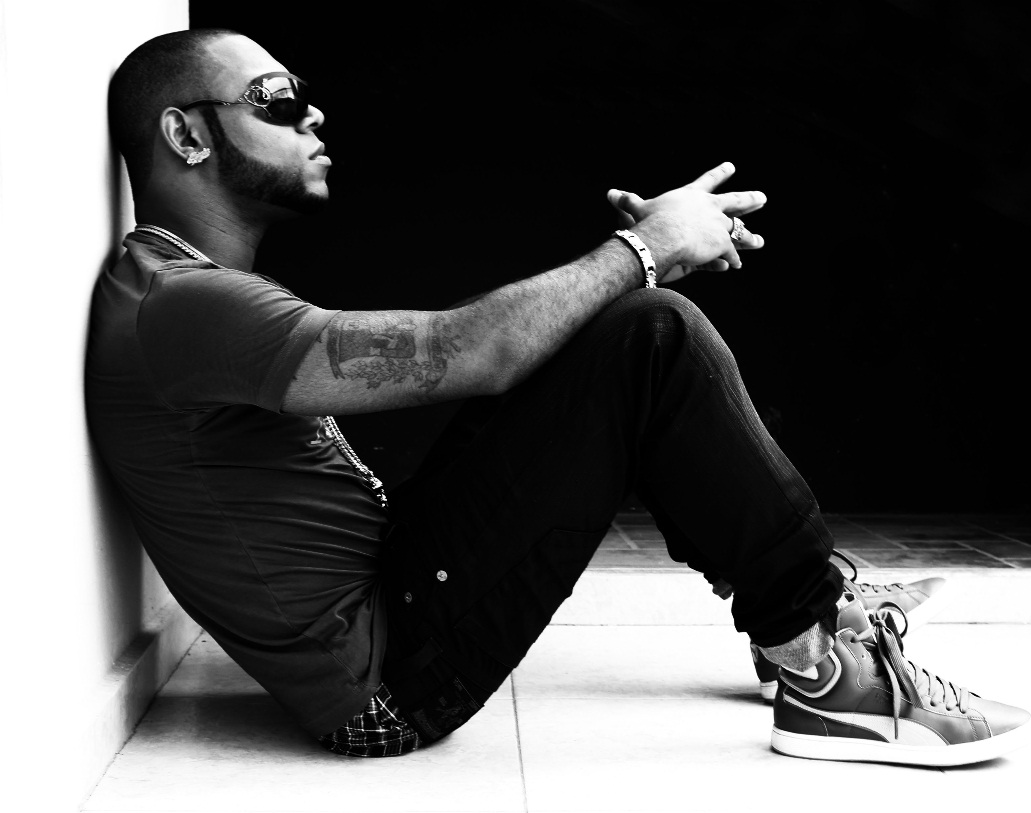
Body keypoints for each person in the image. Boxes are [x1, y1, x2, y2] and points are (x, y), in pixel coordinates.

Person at [87, 28, 1029, 766]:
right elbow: (471, 349)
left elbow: (506, 347)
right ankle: (824, 667)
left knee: (617, 329)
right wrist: (644, 250)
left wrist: (625, 272)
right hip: (383, 679)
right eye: (279, 99)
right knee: (648, 330)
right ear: (186, 134)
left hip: (390, 587)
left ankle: (800, 606)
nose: (315, 114)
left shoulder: (173, 292)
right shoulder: (183, 309)